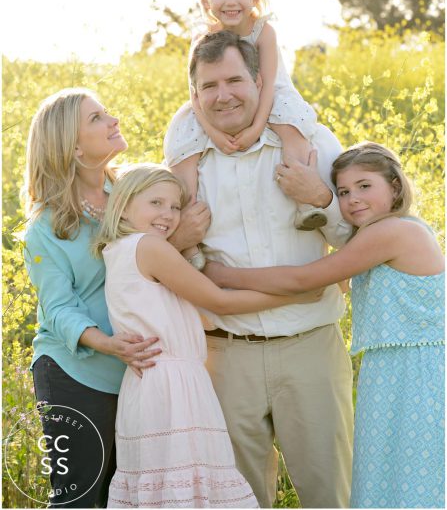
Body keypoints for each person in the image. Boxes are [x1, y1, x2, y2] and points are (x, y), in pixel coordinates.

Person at [165, 30, 354, 508]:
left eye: (233, 80)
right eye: (209, 86)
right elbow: (158, 256)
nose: (222, 95)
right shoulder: (186, 163)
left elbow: (354, 241)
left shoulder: (309, 142)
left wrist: (320, 198)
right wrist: (179, 239)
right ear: (194, 94)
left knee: (328, 495)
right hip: (225, 356)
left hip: (309, 347)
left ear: (259, 80)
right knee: (235, 500)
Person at [205, 142, 445, 509]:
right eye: (344, 192)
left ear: (395, 187)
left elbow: (305, 280)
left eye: (365, 186)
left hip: (416, 372)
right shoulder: (375, 234)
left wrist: (221, 273)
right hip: (392, 369)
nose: (352, 200)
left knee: (413, 478)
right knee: (392, 477)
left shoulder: (394, 232)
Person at [93, 164, 321, 508]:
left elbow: (198, 313)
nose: (168, 215)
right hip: (172, 385)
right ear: (123, 205)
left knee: (173, 491)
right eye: (156, 203)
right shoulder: (148, 247)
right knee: (188, 490)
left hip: (154, 383)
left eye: (174, 206)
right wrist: (297, 294)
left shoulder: (119, 249)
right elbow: (219, 302)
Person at [24, 88, 210, 508]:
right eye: (96, 119)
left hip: (137, 371)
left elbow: (151, 265)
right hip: (74, 374)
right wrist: (107, 343)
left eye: (107, 112)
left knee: (128, 496)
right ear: (71, 147)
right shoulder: (46, 227)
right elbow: (57, 309)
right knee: (80, 498)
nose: (113, 121)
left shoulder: (129, 195)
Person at [165, 0, 328, 234]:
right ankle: (186, 221)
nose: (231, 2)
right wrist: (213, 133)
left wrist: (255, 129)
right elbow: (194, 93)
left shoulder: (264, 32)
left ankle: (306, 202)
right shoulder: (202, 37)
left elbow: (266, 84)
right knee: (183, 136)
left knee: (291, 126)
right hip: (215, 100)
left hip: (269, 92)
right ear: (205, 0)